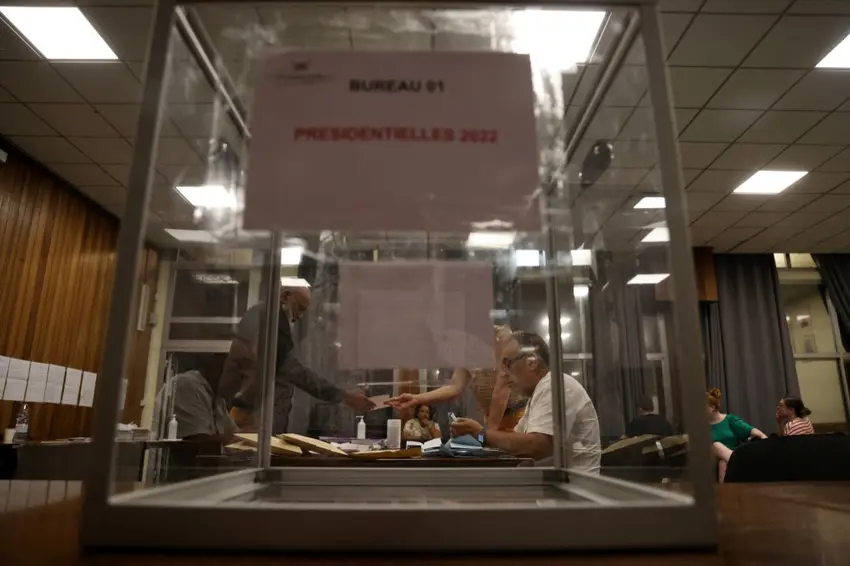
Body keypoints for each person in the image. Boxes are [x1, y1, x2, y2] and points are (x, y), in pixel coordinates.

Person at [219, 279, 374, 434]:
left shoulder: (265, 316)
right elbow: (294, 371)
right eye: (300, 308)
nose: (300, 316)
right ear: (285, 296)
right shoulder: (270, 320)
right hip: (248, 417)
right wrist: (344, 396)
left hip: (253, 415)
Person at [450, 331, 601, 472]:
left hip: (572, 489)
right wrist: (476, 437)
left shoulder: (556, 385)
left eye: (508, 364)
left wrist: (480, 433)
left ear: (532, 362)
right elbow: (512, 445)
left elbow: (538, 446)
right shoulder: (537, 395)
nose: (504, 374)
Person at [387, 325, 525, 431]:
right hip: (492, 419)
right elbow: (454, 387)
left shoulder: (503, 339)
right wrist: (417, 399)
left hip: (516, 417)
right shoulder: (465, 349)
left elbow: (501, 391)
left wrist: (489, 435)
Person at [707, 388, 766, 482]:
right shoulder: (701, 427)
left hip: (732, 456)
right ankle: (743, 468)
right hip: (711, 460)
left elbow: (754, 432)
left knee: (723, 464)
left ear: (712, 408)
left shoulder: (730, 420)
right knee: (716, 446)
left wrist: (766, 443)